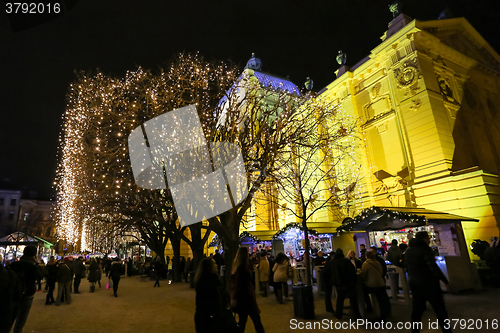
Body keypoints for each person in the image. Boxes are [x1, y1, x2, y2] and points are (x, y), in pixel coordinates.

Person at [404, 231, 452, 333]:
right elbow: (433, 267)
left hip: (415, 283)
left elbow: (407, 266)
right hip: (429, 283)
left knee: (417, 311)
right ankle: (447, 331)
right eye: (428, 238)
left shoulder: (408, 251)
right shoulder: (425, 250)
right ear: (424, 239)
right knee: (440, 310)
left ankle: (415, 331)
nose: (429, 240)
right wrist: (445, 281)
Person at [8, 245, 43, 333]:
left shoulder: (14, 265)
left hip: (13, 294)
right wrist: (37, 263)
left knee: (9, 320)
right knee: (20, 322)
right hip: (27, 294)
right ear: (34, 255)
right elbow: (40, 276)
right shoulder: (33, 266)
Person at [195, 258, 235, 332]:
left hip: (213, 317)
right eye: (214, 264)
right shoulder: (208, 282)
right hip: (211, 319)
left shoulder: (214, 280)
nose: (216, 265)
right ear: (209, 267)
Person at [230, 247, 265, 333]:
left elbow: (235, 283)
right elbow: (240, 284)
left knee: (243, 321)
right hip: (247, 297)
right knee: (256, 320)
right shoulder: (243, 267)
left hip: (242, 297)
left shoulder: (237, 266)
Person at [361, 250, 391, 320]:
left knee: (363, 293)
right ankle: (384, 315)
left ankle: (369, 308)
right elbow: (381, 271)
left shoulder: (366, 263)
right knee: (381, 300)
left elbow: (363, 274)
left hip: (371, 285)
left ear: (366, 256)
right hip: (380, 283)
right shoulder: (377, 262)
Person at [330, 248, 360, 320]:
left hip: (338, 284)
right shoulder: (346, 261)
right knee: (353, 300)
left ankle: (338, 315)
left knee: (340, 299)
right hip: (348, 283)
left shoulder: (332, 262)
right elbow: (352, 271)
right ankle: (356, 316)